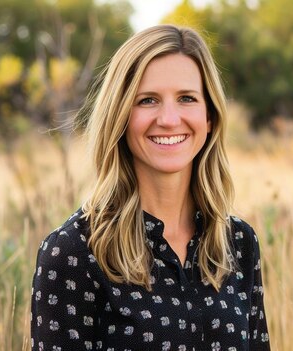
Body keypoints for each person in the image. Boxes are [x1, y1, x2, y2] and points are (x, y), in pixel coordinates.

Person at [31, 24, 270, 351]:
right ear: (120, 116)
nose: (170, 119)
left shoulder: (239, 243)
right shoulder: (73, 252)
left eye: (187, 98)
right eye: (147, 101)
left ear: (210, 116)